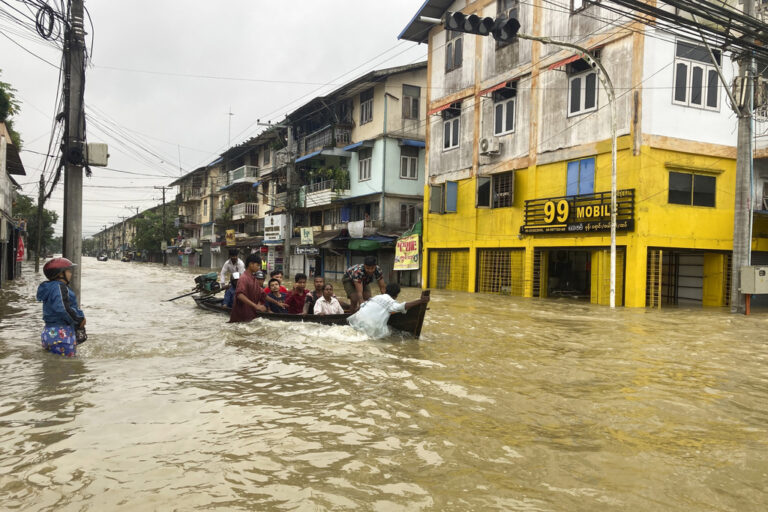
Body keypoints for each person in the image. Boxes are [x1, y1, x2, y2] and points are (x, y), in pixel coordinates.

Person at [36, 257, 86, 357]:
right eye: (68, 271)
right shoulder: (59, 287)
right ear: (60, 273)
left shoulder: (49, 287)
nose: (71, 274)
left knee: (52, 368)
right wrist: (79, 320)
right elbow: (63, 308)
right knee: (67, 368)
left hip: (48, 332)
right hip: (62, 334)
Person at [347, 283, 429, 339]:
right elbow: (402, 306)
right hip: (370, 330)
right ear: (396, 295)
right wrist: (420, 301)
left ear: (386, 290)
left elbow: (361, 306)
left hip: (356, 322)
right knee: (389, 333)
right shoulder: (391, 302)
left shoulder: (375, 297)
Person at [229, 254, 266, 323]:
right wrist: (256, 306)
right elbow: (239, 295)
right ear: (251, 264)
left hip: (249, 315)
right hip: (241, 318)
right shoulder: (244, 278)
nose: (259, 268)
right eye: (257, 265)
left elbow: (262, 294)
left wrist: (276, 303)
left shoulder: (253, 278)